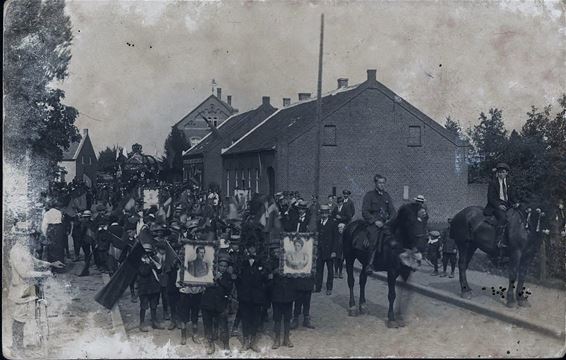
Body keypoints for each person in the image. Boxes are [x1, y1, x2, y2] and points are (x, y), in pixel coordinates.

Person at [8, 226, 65, 356]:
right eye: (23, 235)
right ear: (17, 236)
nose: (27, 238)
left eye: (28, 235)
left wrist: (50, 264)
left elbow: (34, 261)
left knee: (30, 315)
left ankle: (25, 343)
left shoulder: (24, 248)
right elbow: (24, 273)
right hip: (21, 288)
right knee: (19, 317)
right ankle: (16, 348)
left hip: (29, 286)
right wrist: (44, 274)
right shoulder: (16, 251)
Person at [236, 244, 269, 352]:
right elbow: (237, 278)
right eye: (250, 246)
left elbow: (266, 279)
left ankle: (253, 341)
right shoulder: (242, 261)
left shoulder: (262, 261)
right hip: (245, 296)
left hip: (257, 297)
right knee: (245, 318)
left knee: (255, 319)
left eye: (254, 247)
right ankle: (246, 341)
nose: (252, 249)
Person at [201, 252, 235, 354]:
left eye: (225, 266)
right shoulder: (208, 273)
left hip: (221, 305)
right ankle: (210, 344)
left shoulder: (228, 276)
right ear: (217, 265)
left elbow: (228, 288)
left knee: (223, 326)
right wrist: (213, 279)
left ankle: (226, 344)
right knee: (208, 326)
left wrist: (220, 279)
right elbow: (204, 285)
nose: (223, 268)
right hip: (207, 304)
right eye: (221, 265)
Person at [363, 174, 397, 274]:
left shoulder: (386, 195)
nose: (382, 185)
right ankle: (370, 264)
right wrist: (374, 221)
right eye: (380, 183)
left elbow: (392, 211)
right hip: (374, 224)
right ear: (375, 183)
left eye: (383, 183)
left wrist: (390, 220)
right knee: (373, 239)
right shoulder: (369, 195)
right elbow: (365, 211)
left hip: (385, 223)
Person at [484, 163, 519, 248]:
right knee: (503, 218)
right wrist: (498, 205)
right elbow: (490, 198)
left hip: (508, 205)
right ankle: (498, 240)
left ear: (506, 173)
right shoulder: (493, 183)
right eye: (499, 172)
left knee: (517, 217)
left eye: (503, 172)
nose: (501, 174)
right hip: (495, 206)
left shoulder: (509, 183)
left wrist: (516, 202)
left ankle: (514, 239)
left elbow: (512, 195)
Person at [269, 247, 296, 350]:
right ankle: (277, 339)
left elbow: (295, 276)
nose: (277, 253)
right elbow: (267, 278)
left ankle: (286, 338)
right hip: (276, 295)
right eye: (275, 251)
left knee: (287, 318)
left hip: (288, 294)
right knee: (277, 318)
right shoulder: (271, 263)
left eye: (279, 251)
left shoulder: (290, 263)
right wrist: (274, 272)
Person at [137, 242, 165, 331]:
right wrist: (148, 264)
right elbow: (143, 272)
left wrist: (153, 263)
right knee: (144, 306)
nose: (148, 255)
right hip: (144, 288)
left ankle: (154, 322)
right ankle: (141, 323)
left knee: (154, 305)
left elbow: (160, 270)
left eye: (149, 253)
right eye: (146, 253)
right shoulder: (140, 261)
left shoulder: (153, 259)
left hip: (154, 287)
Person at [315, 205, 338, 295]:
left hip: (329, 251)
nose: (324, 215)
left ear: (328, 213)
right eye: (322, 213)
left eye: (325, 213)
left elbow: (336, 238)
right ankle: (318, 286)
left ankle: (329, 288)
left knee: (330, 271)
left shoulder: (333, 223)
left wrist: (334, 251)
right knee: (319, 269)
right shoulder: (318, 223)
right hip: (320, 250)